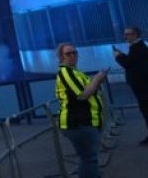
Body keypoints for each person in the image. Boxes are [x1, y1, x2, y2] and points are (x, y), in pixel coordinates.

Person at [55, 43, 106, 178]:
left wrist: (96, 82)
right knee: (90, 159)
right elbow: (82, 95)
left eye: (74, 53)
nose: (72, 56)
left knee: (88, 159)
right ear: (61, 57)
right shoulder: (66, 72)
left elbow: (89, 90)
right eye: (68, 54)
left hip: (84, 122)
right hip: (78, 123)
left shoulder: (76, 72)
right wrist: (97, 80)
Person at [113, 26, 148, 145]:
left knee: (146, 110)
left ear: (135, 35)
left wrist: (118, 56)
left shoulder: (136, 48)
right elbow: (133, 62)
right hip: (143, 85)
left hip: (142, 86)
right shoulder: (138, 47)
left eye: (128, 34)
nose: (125, 36)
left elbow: (128, 64)